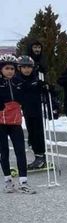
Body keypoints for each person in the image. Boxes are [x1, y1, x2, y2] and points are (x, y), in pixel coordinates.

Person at [0, 55, 34, 193]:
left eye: (12, 69)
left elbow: (28, 96)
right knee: (4, 152)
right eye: (6, 68)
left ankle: (23, 181)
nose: (10, 71)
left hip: (15, 122)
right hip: (1, 123)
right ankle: (8, 180)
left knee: (21, 151)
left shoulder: (18, 83)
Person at [16, 56, 56, 170]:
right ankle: (37, 156)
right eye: (24, 67)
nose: (26, 70)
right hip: (27, 111)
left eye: (29, 67)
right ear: (19, 68)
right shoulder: (18, 80)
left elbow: (49, 90)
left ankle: (41, 157)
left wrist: (46, 87)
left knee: (38, 134)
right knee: (31, 135)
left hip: (38, 110)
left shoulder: (36, 79)